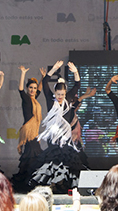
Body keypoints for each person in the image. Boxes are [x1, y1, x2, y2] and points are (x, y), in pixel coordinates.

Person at [31, 61, 93, 192]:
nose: (60, 97)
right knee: (54, 159)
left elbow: (78, 84)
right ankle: (53, 183)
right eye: (58, 94)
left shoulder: (69, 98)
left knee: (67, 159)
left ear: (65, 93)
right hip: (54, 137)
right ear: (55, 93)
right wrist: (54, 68)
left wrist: (76, 72)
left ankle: (65, 184)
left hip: (66, 136)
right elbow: (46, 81)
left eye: (62, 95)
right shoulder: (50, 98)